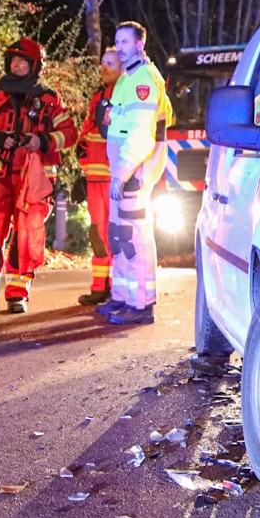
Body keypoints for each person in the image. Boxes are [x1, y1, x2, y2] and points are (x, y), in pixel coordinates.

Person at [0, 36, 77, 314]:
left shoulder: (50, 99)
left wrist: (42, 141)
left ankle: (17, 295)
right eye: (13, 60)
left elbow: (71, 134)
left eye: (22, 61)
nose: (16, 64)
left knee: (25, 239)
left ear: (34, 66)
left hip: (33, 182)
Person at [99, 20, 172, 325]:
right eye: (117, 42)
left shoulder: (143, 79)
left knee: (133, 238)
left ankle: (141, 305)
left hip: (134, 171)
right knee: (119, 236)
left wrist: (123, 173)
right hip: (125, 171)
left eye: (126, 42)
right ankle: (122, 297)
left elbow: (142, 134)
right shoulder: (128, 78)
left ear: (140, 44)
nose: (120, 48)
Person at [75, 46, 123, 306]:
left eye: (110, 64)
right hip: (95, 180)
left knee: (115, 235)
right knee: (97, 234)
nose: (104, 68)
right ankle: (99, 288)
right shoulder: (98, 98)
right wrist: (84, 167)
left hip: (116, 181)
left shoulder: (125, 96)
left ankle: (118, 290)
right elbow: (85, 136)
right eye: (103, 63)